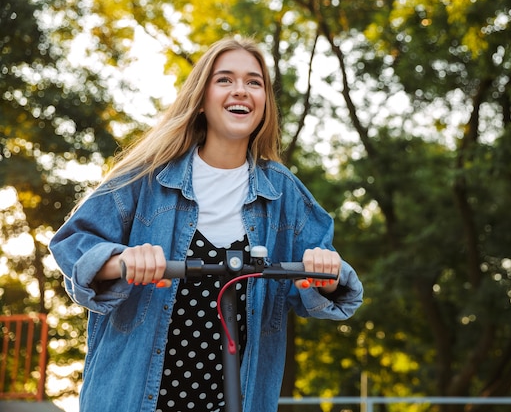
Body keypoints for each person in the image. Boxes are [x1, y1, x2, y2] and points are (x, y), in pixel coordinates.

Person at [48, 36, 363, 412]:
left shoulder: (284, 193)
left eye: (254, 82)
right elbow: (74, 243)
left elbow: (320, 280)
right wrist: (123, 261)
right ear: (201, 99)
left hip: (235, 400)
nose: (241, 90)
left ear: (264, 102)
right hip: (134, 398)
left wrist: (325, 278)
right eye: (225, 79)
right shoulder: (147, 178)